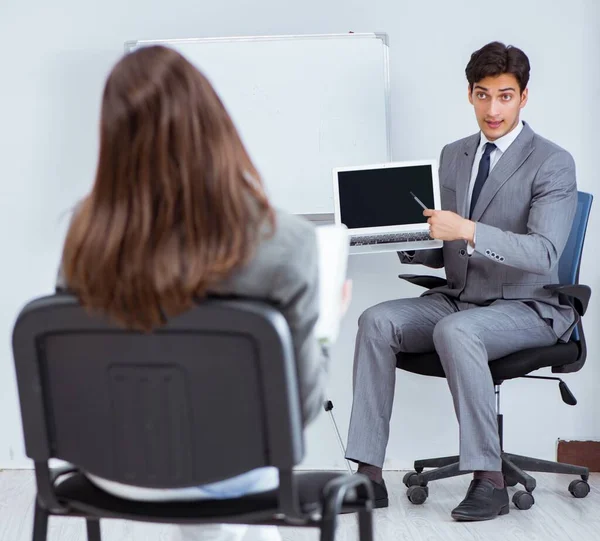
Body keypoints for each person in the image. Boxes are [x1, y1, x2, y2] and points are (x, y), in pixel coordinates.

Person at [56, 45, 350, 541]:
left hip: (107, 470)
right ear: (213, 127)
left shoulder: (84, 238)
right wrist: (325, 327)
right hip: (229, 472)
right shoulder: (284, 243)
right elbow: (298, 413)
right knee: (238, 470)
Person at [345, 41, 577, 521]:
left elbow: (544, 253)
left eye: (505, 96)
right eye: (483, 94)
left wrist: (467, 230)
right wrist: (403, 236)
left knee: (457, 331)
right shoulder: (454, 155)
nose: (493, 109)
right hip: (459, 298)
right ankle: (367, 476)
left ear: (524, 97)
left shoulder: (552, 162)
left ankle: (488, 478)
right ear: (469, 95)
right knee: (375, 321)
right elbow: (443, 245)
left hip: (528, 306)